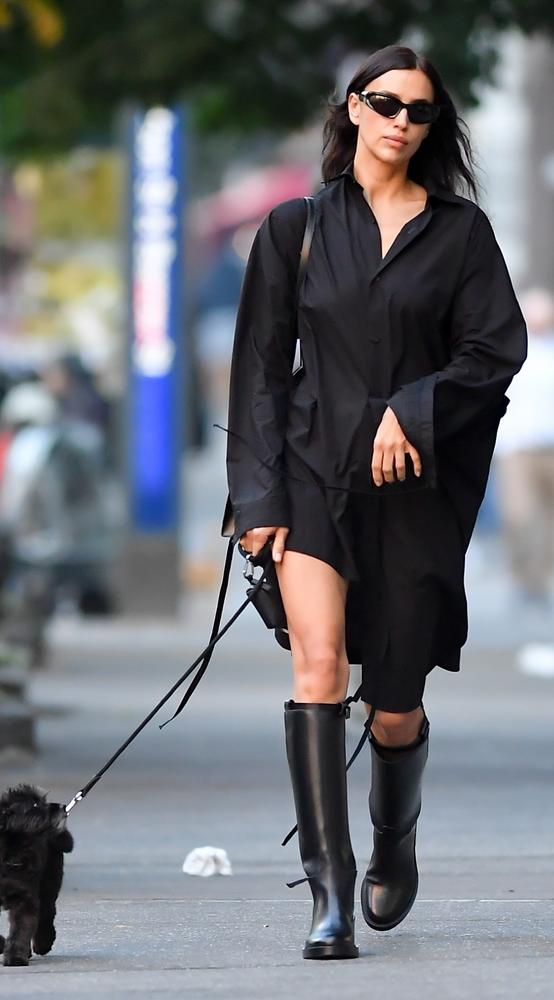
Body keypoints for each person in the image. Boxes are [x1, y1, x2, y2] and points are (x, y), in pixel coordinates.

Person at [224, 43, 527, 960]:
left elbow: (494, 351)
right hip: (314, 477)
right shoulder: (296, 227)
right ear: (353, 108)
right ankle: (330, 893)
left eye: (421, 111)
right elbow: (260, 374)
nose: (401, 120)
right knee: (317, 668)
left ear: (434, 127)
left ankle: (395, 839)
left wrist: (413, 410)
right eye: (386, 103)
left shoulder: (461, 235)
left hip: (417, 495)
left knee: (392, 703)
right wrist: (258, 496)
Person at [493, 287, 554, 607]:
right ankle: (520, 576)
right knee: (519, 514)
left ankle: (540, 579)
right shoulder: (509, 351)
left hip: (550, 446)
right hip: (517, 447)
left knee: (547, 517)